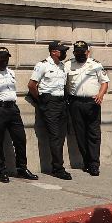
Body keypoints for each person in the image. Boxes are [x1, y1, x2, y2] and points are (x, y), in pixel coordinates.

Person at [0, 46, 36, 183]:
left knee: (20, 139)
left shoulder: (11, 72)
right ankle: (1, 171)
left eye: (6, 58)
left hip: (13, 110)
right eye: (1, 58)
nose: (4, 61)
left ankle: (22, 168)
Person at [66, 40, 110, 177]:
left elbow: (104, 82)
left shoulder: (96, 65)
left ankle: (94, 164)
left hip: (92, 103)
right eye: (77, 52)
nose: (80, 54)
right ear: (74, 53)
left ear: (88, 52)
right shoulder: (68, 65)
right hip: (75, 103)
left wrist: (101, 95)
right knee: (80, 134)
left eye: (83, 52)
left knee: (94, 134)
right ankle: (87, 162)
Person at [29, 41, 71, 179]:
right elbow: (32, 85)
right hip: (49, 103)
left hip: (61, 102)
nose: (64, 53)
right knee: (54, 136)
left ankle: (57, 165)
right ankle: (58, 168)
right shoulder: (42, 65)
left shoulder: (62, 66)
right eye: (61, 51)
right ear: (53, 52)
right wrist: (41, 101)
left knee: (61, 135)